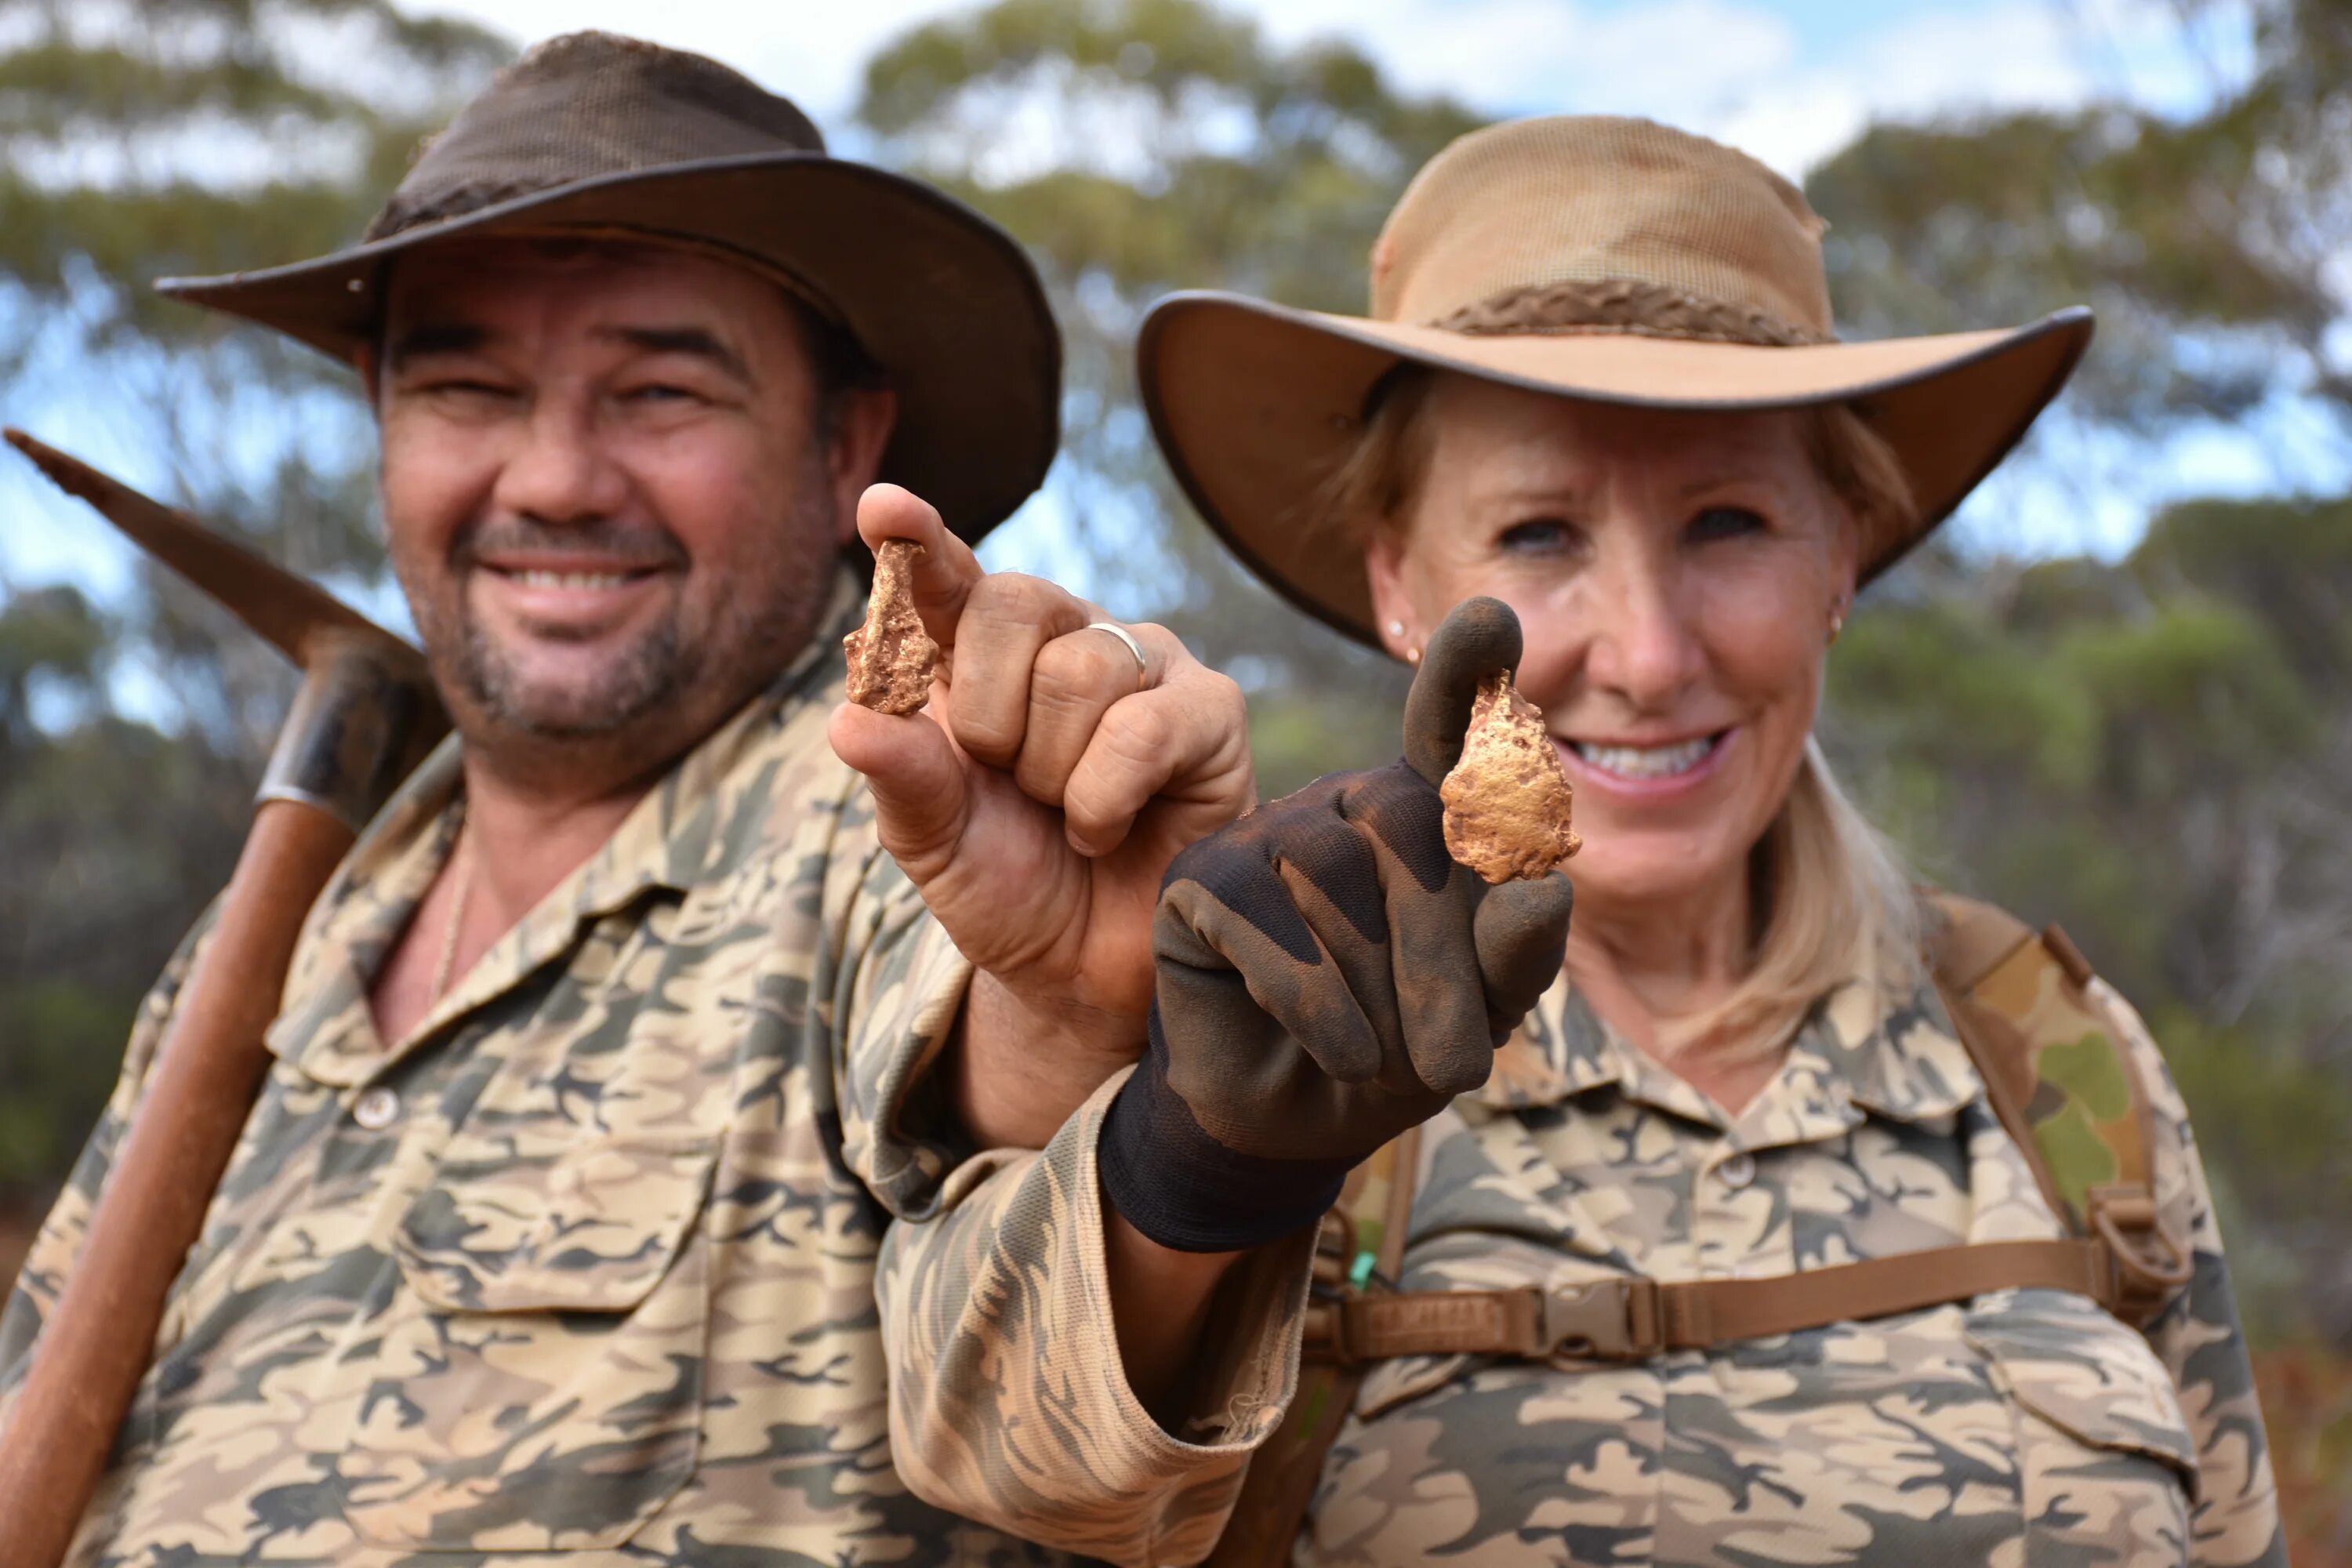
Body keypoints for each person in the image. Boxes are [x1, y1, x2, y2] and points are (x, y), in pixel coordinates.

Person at [894, 117, 2288, 1567]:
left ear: (1842, 561)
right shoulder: (1283, 1029)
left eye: (1731, 522)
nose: (1645, 652)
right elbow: (998, 1479)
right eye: (1542, 534)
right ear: (1398, 584)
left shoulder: (2048, 1052)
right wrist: (1191, 1177)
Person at [0, 32, 1271, 1561]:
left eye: (660, 391)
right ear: (378, 412)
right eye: (468, 386)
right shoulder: (283, 929)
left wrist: (1084, 1050)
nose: (552, 479)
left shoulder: (921, 835)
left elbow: (1066, 1442)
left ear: (844, 442)